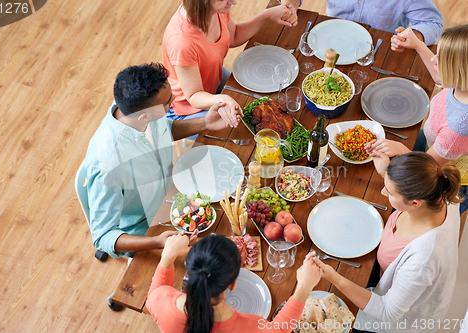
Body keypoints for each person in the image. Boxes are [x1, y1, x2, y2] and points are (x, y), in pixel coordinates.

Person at [83, 62, 242, 259]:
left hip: (176, 192)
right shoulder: (108, 165)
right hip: (148, 226)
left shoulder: (136, 112)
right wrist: (158, 241)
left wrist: (205, 123)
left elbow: (163, 130)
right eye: (168, 102)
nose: (175, 99)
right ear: (144, 117)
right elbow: (103, 236)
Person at [311, 152, 462, 333]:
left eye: (389, 192)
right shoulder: (440, 192)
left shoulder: (423, 258)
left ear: (415, 203)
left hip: (404, 319)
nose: (383, 192)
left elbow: (387, 311)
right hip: (393, 277)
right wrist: (387, 173)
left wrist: (333, 277)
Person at [366, 25, 468, 218]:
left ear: (459, 70)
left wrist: (402, 153)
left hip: (446, 172)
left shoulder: (459, 128)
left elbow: (428, 169)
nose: (433, 59)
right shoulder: (461, 83)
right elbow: (440, 76)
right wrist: (418, 45)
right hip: (435, 143)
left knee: (409, 211)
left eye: (440, 58)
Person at [146, 233, 322, 333]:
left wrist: (167, 255)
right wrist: (304, 287)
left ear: (188, 269)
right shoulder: (251, 326)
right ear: (232, 285)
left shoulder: (162, 302)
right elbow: (280, 330)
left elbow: (156, 292)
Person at [162, 0, 293, 121]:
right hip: (188, 108)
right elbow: (194, 96)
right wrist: (223, 99)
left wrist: (266, 15)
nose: (234, 2)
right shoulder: (181, 42)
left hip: (212, 81)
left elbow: (234, 35)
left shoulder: (215, 10)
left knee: (260, 100)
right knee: (245, 124)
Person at [279, 0, 443, 48]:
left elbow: (433, 22)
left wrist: (414, 36)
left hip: (379, 47)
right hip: (330, 38)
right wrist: (290, 4)